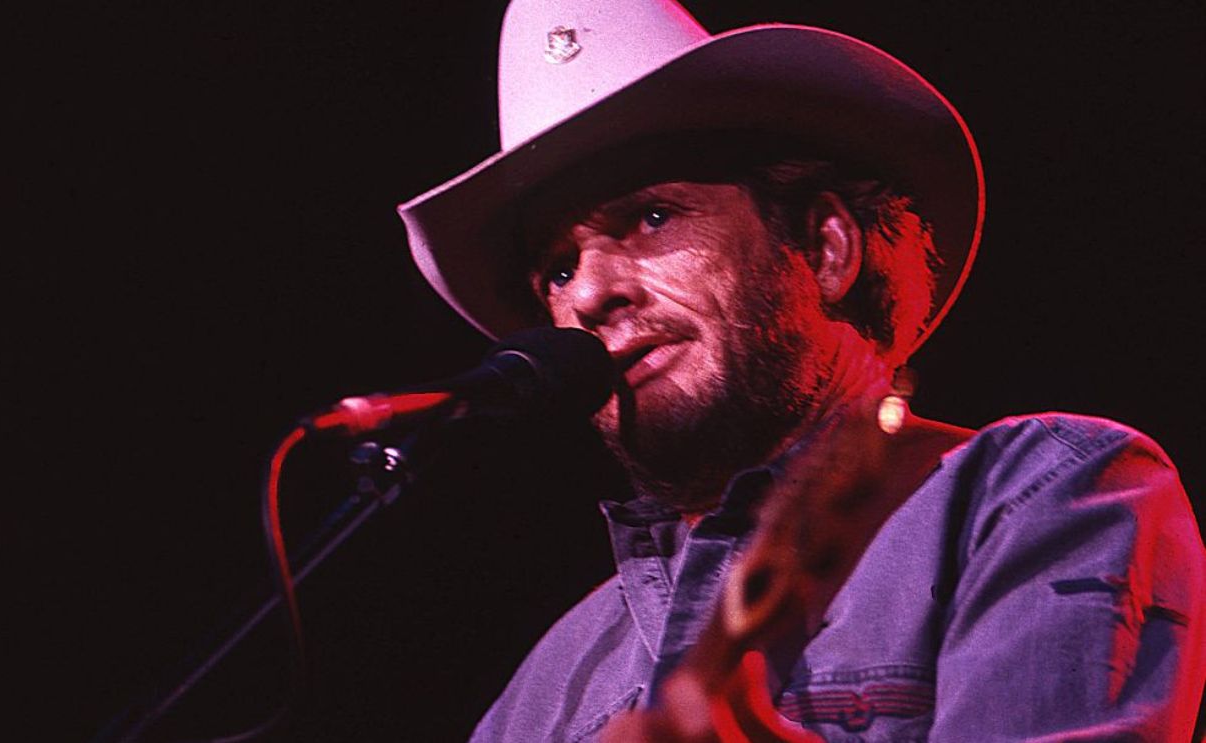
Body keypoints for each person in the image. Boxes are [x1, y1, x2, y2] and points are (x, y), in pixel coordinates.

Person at [396, 0, 1206, 740]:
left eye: (649, 216)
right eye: (558, 266)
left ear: (823, 249)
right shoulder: (548, 685)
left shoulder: (1036, 493)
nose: (591, 293)